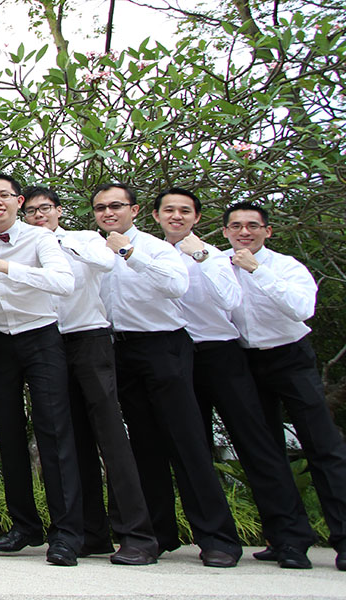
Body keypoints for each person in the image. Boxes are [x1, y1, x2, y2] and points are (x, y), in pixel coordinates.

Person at [151, 189, 315, 569]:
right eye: (169, 210)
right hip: (176, 357)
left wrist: (201, 255)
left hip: (221, 354)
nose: (176, 216)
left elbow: (230, 301)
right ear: (156, 216)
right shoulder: (150, 254)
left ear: (197, 217)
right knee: (191, 451)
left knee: (257, 445)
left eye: (185, 211)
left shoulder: (215, 255)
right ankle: (214, 539)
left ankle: (289, 539)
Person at [92, 182, 242, 567]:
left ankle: (218, 539)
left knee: (186, 442)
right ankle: (155, 536)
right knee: (144, 447)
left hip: (165, 347)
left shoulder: (157, 248)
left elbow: (176, 286)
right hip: (121, 349)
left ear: (135, 210)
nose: (108, 213)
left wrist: (129, 253)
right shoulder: (97, 250)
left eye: (116, 206)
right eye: (101, 208)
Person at [21, 185, 157, 565]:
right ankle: (91, 532)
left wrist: (56, 244)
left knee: (111, 437)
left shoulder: (84, 238)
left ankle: (137, 536)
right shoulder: (22, 248)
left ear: (59, 210)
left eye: (45, 208)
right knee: (70, 440)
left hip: (89, 339)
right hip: (48, 344)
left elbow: (105, 264)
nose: (38, 216)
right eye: (31, 211)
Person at [223, 201, 346, 571]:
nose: (244, 232)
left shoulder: (286, 266)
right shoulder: (218, 265)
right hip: (245, 360)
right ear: (226, 232)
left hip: (291, 357)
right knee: (263, 452)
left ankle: (343, 538)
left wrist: (257, 270)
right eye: (236, 226)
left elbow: (302, 308)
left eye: (252, 225)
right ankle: (288, 540)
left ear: (267, 231)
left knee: (323, 446)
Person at [0, 172, 81, 567]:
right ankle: (24, 525)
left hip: (41, 337)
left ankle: (66, 534)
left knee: (53, 431)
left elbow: (64, 282)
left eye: (4, 195)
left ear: (18, 201)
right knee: (9, 434)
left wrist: (6, 268)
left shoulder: (40, 238)